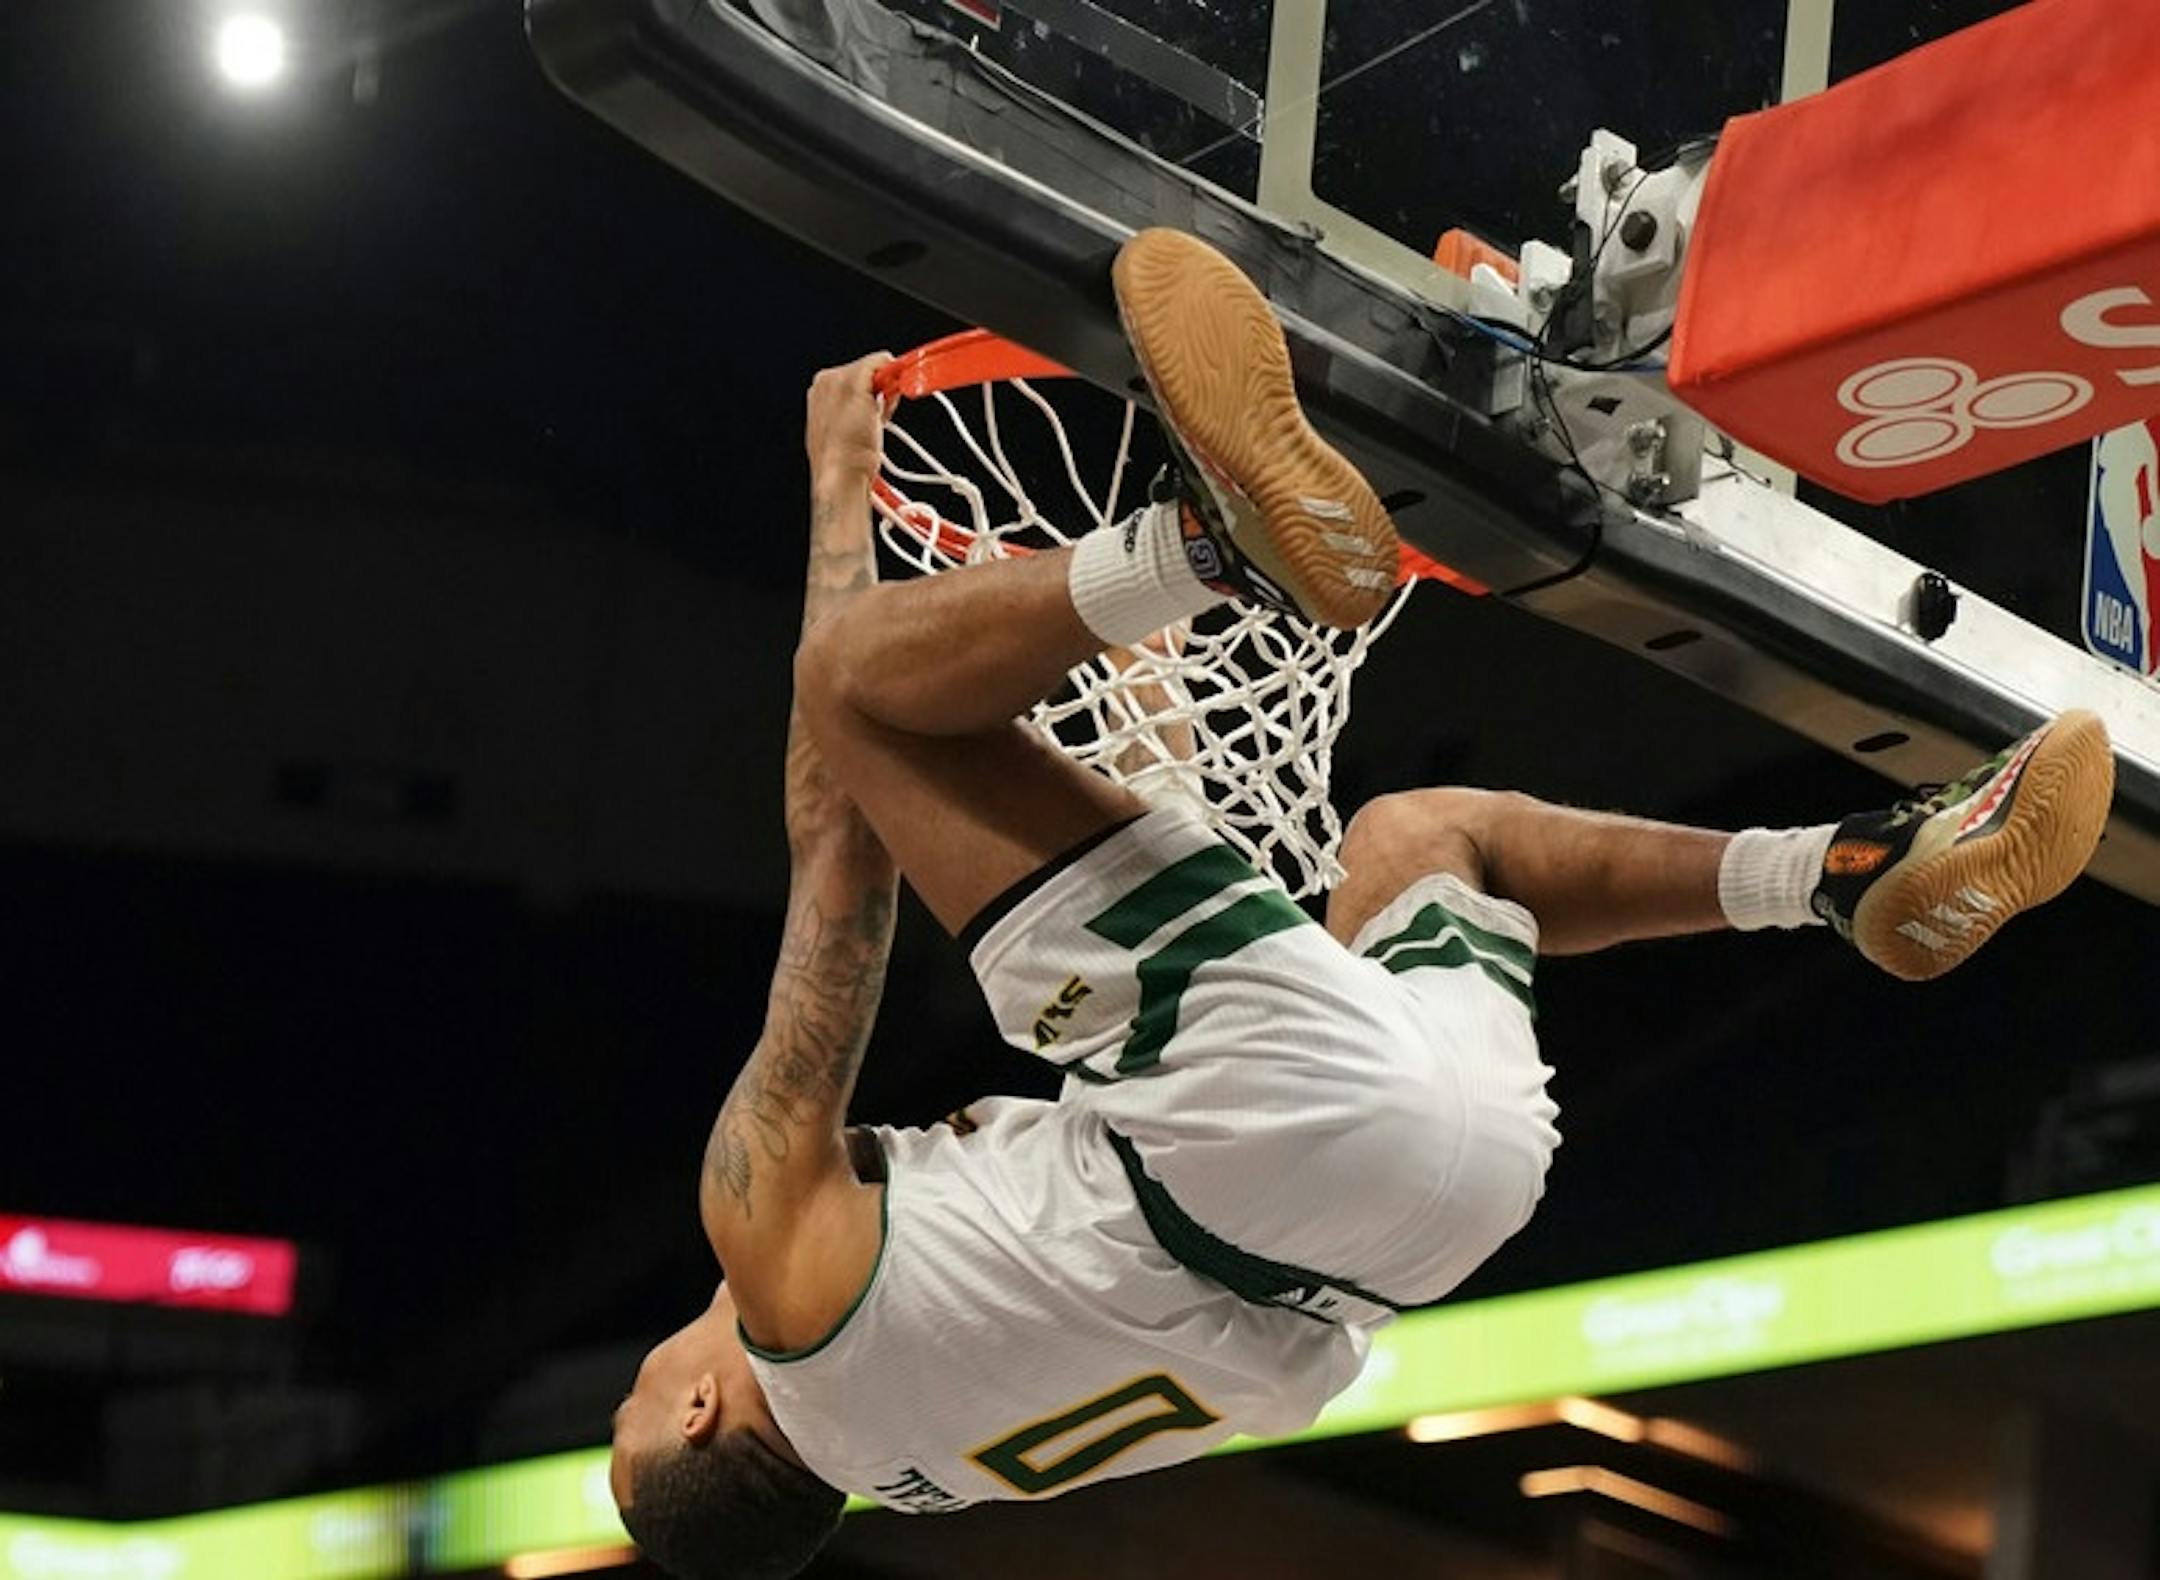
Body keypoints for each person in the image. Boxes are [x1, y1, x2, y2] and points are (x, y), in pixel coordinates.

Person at [608, 229, 2117, 1580]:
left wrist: (1144, 715)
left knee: (1428, 842)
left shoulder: (944, 1466)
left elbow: (1175, 1130)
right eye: (636, 1397)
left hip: (1429, 1220)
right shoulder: (770, 1256)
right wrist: (839, 491)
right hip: (1255, 1152)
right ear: (695, 1415)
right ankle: (1209, 541)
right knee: (857, 692)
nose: (647, 1365)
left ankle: (1834, 875)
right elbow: (838, 861)